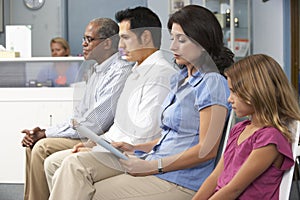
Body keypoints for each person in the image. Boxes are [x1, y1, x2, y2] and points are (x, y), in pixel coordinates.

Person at [48, 5, 234, 200]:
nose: (172, 47)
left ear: (202, 42)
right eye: (172, 39)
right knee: (78, 181)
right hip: (158, 166)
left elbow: (207, 150)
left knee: (89, 192)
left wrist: (153, 165)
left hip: (180, 180)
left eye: (181, 40)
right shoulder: (180, 79)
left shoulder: (211, 82)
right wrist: (136, 148)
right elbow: (170, 138)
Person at [44, 5, 177, 191]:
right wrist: (93, 144)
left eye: (125, 38)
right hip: (115, 148)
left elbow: (143, 135)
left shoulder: (161, 74)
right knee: (53, 164)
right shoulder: (135, 71)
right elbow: (119, 127)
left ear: (146, 37)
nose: (120, 46)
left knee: (72, 165)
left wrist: (101, 148)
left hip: (133, 155)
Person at [21, 18, 133, 200]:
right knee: (32, 145)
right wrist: (44, 131)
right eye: (84, 39)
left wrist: (47, 133)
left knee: (41, 147)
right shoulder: (97, 71)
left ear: (107, 43)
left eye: (89, 39)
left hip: (99, 139)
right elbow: (78, 116)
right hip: (86, 133)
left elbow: (95, 123)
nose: (83, 44)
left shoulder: (119, 71)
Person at [192, 54, 300, 200]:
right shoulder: (239, 129)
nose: (229, 99)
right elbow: (215, 177)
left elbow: (234, 189)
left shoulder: (270, 139)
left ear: (257, 92)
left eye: (234, 92)